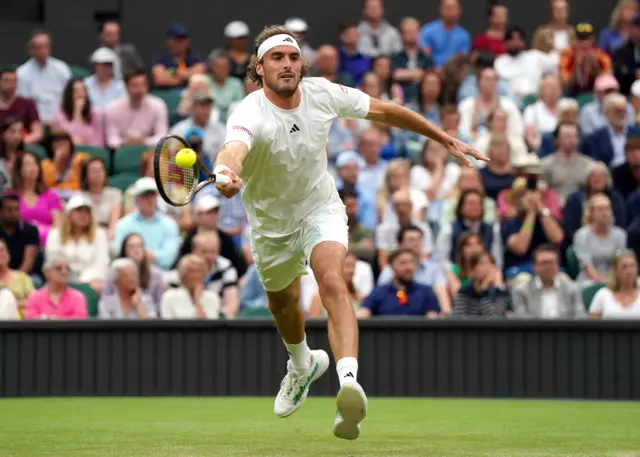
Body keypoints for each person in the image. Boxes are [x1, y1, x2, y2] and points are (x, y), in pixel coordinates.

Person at [210, 25, 486, 440]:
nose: (286, 65)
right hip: (271, 224)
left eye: (292, 57)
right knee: (283, 308)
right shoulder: (249, 113)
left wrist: (443, 137)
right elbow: (233, 150)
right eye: (276, 59)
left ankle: (348, 381)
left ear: (300, 64)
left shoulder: (323, 93)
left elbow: (387, 111)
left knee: (332, 279)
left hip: (320, 208)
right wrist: (227, 170)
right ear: (259, 69)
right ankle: (303, 364)